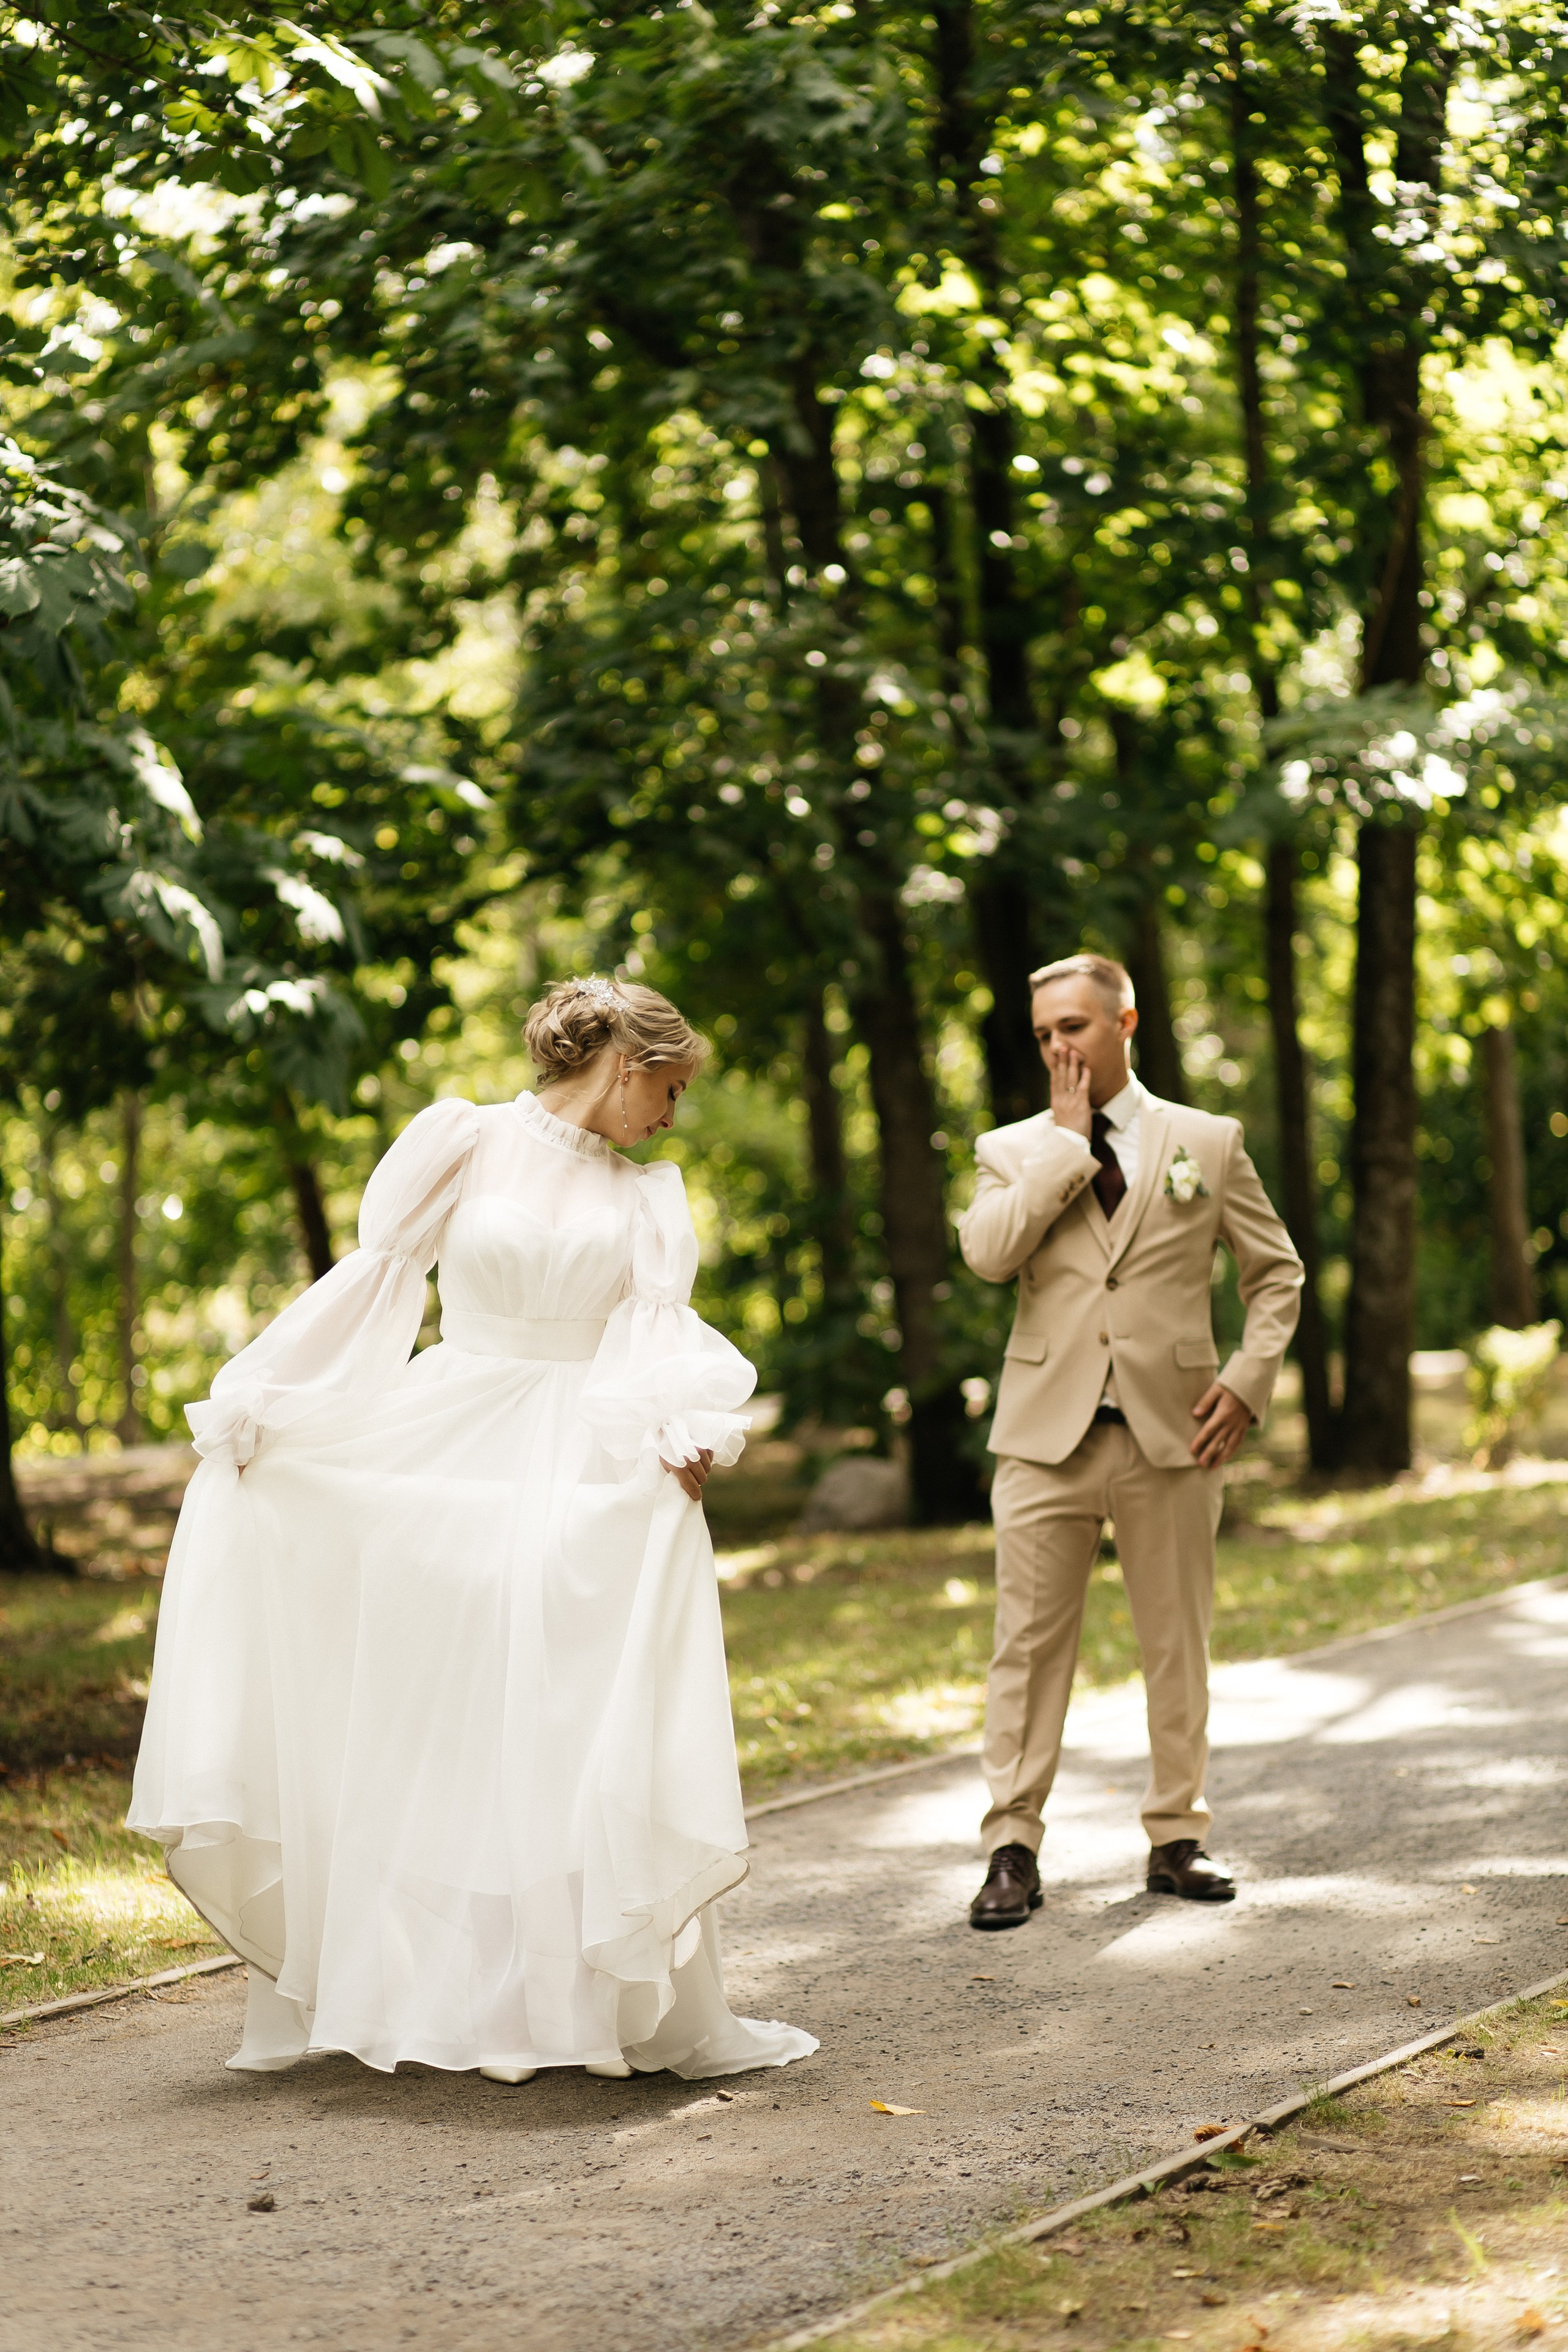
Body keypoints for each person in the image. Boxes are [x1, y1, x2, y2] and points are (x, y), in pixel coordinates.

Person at [130, 978, 818, 2083]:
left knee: (564, 1715)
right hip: (451, 1432)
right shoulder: (466, 1140)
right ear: (630, 1065)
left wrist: (676, 1429)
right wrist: (274, 1396)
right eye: (673, 1091)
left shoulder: (648, 1199)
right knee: (427, 1711)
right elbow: (379, 1284)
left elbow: (652, 1338)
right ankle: (414, 1992)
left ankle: (571, 2002)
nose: (672, 1116)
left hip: (580, 1460)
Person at [957, 954, 1302, 1928]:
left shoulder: (1207, 1140)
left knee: (1176, 1642)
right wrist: (1065, 1149)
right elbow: (988, 1255)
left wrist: (1247, 1378)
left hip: (1176, 1434)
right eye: (1044, 1035)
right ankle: (1011, 1848)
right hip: (1043, 1438)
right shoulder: (1012, 1148)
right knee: (1024, 1651)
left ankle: (1177, 1836)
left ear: (1126, 1022)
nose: (1059, 1047)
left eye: (1075, 1027)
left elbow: (1277, 1275)